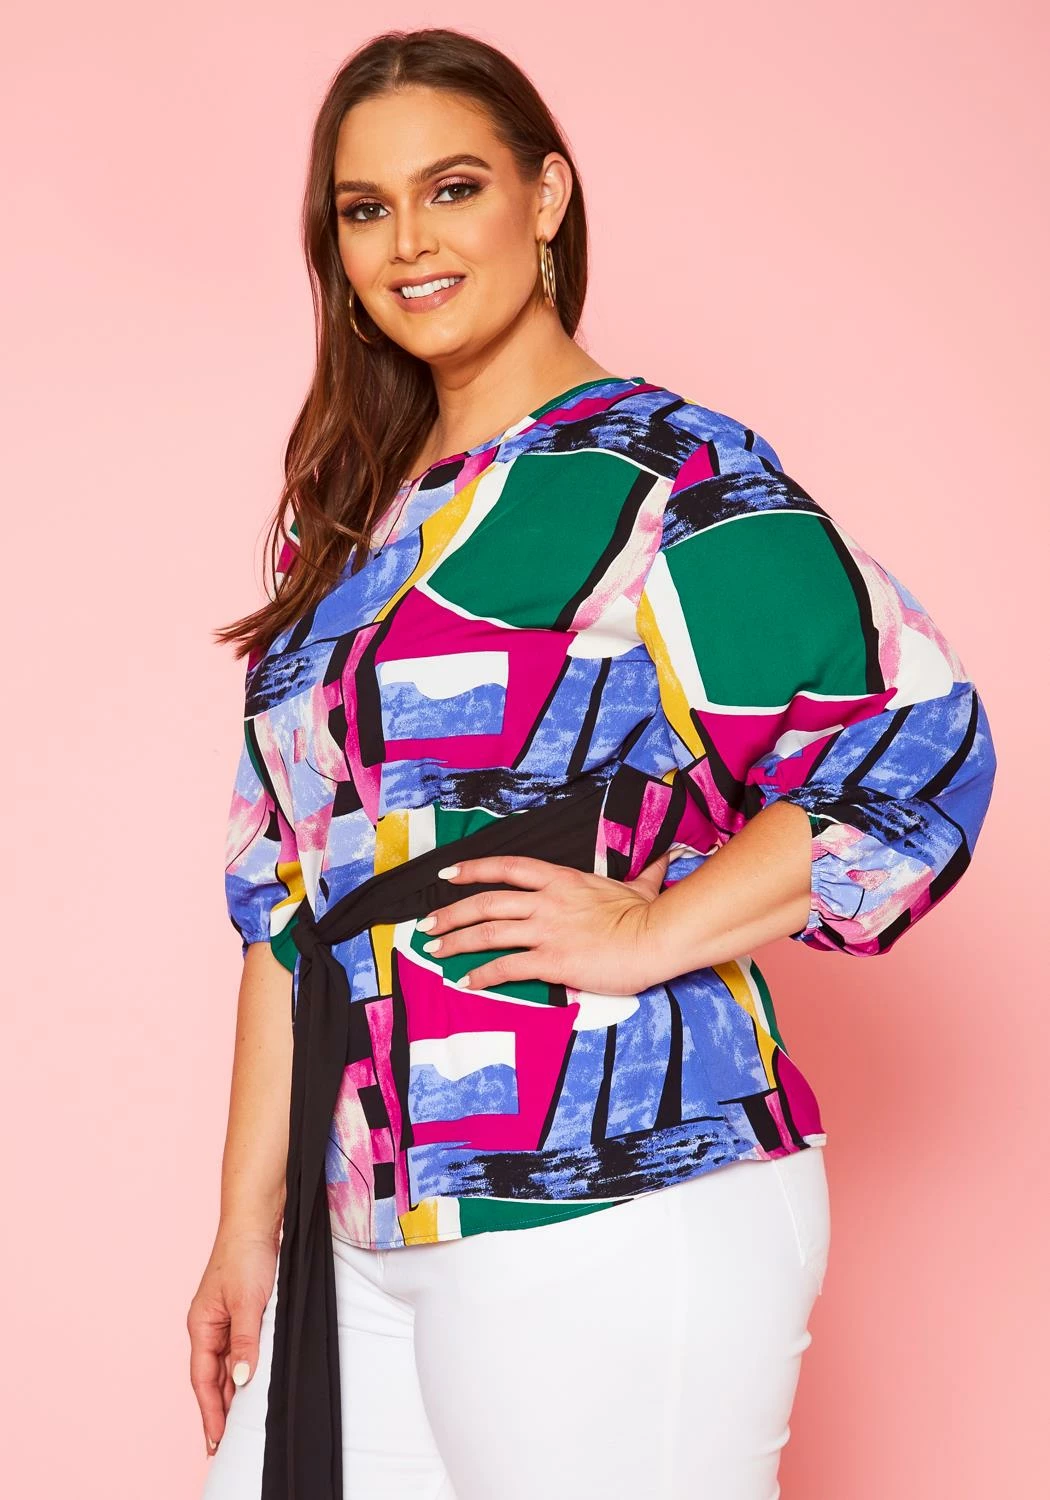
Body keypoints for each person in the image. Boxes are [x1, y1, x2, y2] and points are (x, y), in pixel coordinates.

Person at [186, 26, 998, 1500]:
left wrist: (650, 930)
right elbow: (287, 901)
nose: (409, 242)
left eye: (452, 188)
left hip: (621, 1180)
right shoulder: (340, 530)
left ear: (546, 195)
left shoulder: (664, 474)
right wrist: (249, 1227)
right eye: (365, 209)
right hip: (366, 1211)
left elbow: (911, 750)